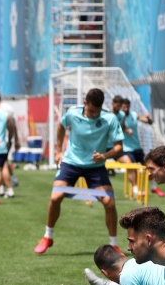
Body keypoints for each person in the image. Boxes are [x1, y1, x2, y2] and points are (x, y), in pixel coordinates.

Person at [34, 88, 124, 254]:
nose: (94, 114)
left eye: (97, 111)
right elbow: (61, 126)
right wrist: (58, 151)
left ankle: (114, 244)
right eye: (91, 110)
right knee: (55, 197)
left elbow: (119, 147)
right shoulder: (72, 113)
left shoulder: (109, 119)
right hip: (71, 163)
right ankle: (47, 236)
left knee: (109, 203)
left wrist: (104, 156)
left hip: (95, 167)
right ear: (85, 103)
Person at [117, 98, 153, 199]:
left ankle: (153, 187)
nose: (125, 108)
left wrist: (148, 118)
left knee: (149, 165)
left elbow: (149, 122)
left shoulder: (134, 114)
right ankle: (135, 190)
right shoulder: (119, 116)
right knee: (131, 167)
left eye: (127, 107)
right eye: (124, 107)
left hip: (137, 147)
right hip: (126, 149)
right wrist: (126, 131)